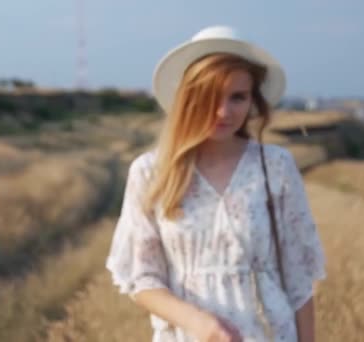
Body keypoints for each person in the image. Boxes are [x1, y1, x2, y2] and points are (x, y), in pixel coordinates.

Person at [105, 25, 326, 342]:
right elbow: (142, 279)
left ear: (253, 100)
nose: (224, 111)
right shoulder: (151, 172)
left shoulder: (275, 166)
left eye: (238, 97)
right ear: (187, 98)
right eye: (210, 97)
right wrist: (199, 324)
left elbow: (299, 281)